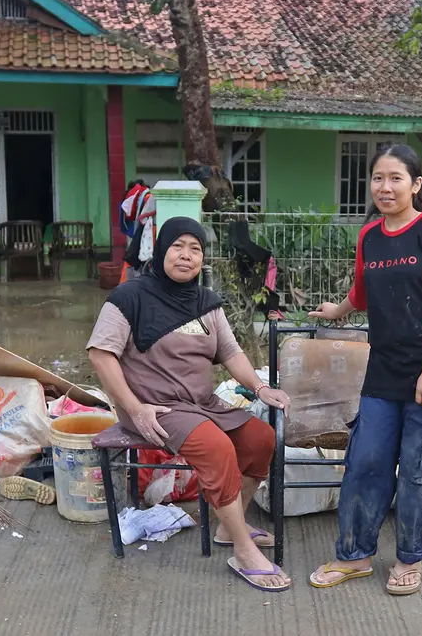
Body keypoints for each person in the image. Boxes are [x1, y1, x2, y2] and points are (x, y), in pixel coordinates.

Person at [86, 216, 293, 592]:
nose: (186, 256)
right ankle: (244, 552)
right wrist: (135, 409)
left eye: (195, 248)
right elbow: (101, 356)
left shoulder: (206, 302)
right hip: (154, 408)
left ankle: (231, 527)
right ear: (161, 250)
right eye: (177, 246)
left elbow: (229, 351)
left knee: (261, 439)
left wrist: (260, 389)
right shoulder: (129, 297)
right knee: (215, 448)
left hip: (202, 403)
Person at [307, 144, 422, 596]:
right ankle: (354, 555)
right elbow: (362, 291)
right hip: (384, 369)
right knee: (366, 462)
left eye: (396, 178)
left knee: (421, 471)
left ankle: (411, 558)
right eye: (378, 178)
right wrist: (338, 310)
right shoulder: (370, 235)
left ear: (416, 184)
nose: (385, 187)